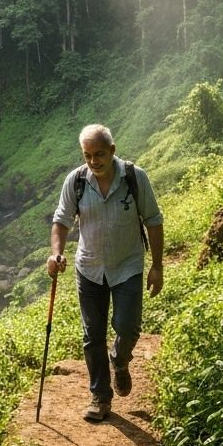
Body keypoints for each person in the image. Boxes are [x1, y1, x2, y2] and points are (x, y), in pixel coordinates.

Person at [47, 124, 164, 423]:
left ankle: (120, 359)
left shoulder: (135, 178)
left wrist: (158, 266)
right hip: (89, 268)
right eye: (87, 155)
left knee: (128, 328)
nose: (93, 161)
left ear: (112, 151)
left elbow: (153, 220)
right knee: (92, 334)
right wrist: (56, 252)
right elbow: (61, 221)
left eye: (99, 154)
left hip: (127, 266)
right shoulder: (76, 182)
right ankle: (100, 395)